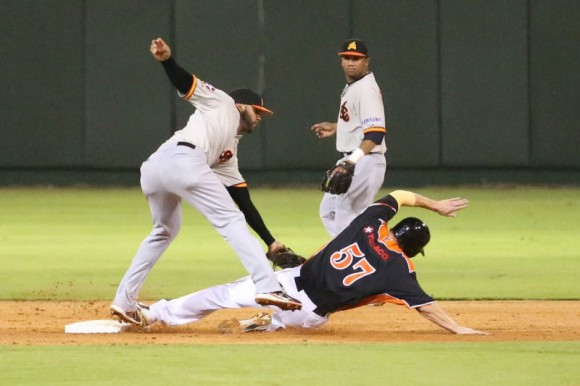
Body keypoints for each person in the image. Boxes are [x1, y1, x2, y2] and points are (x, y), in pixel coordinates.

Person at [110, 37, 301, 325]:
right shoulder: (222, 101)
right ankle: (269, 286)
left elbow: (242, 199)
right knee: (230, 222)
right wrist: (166, 61)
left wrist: (271, 241)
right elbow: (186, 84)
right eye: (257, 110)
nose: (260, 117)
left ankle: (124, 301)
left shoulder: (228, 151)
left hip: (154, 170)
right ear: (241, 106)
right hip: (182, 160)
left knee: (164, 230)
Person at [134, 189, 488, 336]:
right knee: (285, 325)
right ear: (412, 250)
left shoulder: (371, 222)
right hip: (310, 315)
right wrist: (458, 329)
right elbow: (426, 307)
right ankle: (259, 325)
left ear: (395, 227)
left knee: (222, 294)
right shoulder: (399, 272)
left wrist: (436, 206)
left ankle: (157, 314)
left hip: (286, 284)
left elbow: (399, 196)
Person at [311, 38, 387, 237]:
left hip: (364, 160)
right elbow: (361, 124)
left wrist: (351, 162)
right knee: (329, 212)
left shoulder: (366, 89)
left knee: (346, 218)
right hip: (355, 159)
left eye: (356, 58)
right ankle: (354, 256)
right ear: (341, 61)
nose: (351, 62)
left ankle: (358, 261)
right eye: (347, 58)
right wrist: (339, 127)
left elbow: (376, 133)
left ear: (366, 61)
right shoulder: (354, 86)